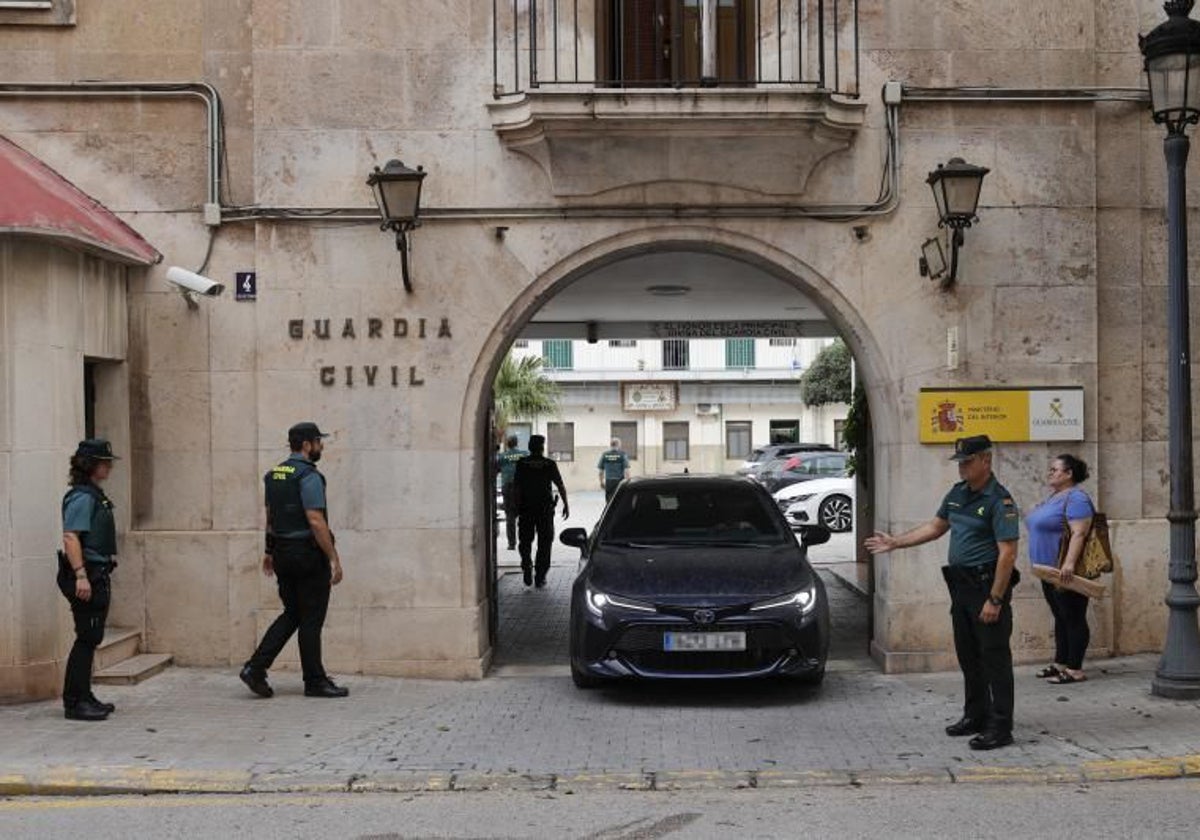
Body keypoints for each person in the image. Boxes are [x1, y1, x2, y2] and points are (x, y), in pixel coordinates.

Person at [865, 435, 1020, 750]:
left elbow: (1008, 554)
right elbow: (935, 528)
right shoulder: (957, 494)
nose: (962, 467)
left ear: (985, 461)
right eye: (960, 462)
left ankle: (1001, 727)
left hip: (985, 587)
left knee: (995, 659)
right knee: (969, 656)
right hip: (960, 587)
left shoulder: (999, 501)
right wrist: (896, 542)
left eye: (967, 461)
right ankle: (975, 714)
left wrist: (995, 599)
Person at [240, 422, 348, 699]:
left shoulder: (274, 475)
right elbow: (315, 519)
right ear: (307, 445)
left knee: (293, 613)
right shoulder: (309, 476)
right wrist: (333, 557)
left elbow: (271, 517)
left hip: (283, 555)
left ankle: (255, 667)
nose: (321, 447)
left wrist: (269, 551)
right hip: (307, 556)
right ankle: (315, 681)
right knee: (311, 618)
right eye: (318, 442)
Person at [58, 439, 121, 721]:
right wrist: (81, 575)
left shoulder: (94, 494)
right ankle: (74, 702)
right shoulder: (83, 497)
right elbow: (71, 536)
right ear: (90, 465)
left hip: (97, 572)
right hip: (87, 575)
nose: (108, 466)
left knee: (91, 637)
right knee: (86, 638)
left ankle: (84, 695)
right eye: (104, 461)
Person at [1025, 454, 1095, 685]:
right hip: (1048, 571)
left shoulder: (1077, 498)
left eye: (1055, 469)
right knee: (1061, 616)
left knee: (1073, 617)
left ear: (1069, 474)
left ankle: (1075, 669)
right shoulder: (1056, 497)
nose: (1050, 473)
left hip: (1064, 571)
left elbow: (1079, 533)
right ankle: (1061, 663)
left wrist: (1069, 564)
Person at [512, 434, 569, 588]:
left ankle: (526, 566)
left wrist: (517, 507)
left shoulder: (522, 463)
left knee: (525, 541)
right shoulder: (548, 464)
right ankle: (540, 576)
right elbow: (560, 485)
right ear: (542, 447)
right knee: (545, 542)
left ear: (530, 447)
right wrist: (565, 504)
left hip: (526, 509)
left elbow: (517, 488)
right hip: (544, 509)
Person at [496, 435, 528, 550]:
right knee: (524, 515)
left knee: (510, 516)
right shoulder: (525, 454)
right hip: (522, 487)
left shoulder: (502, 456)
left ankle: (512, 543)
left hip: (508, 487)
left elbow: (496, 469)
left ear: (507, 444)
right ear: (517, 443)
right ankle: (524, 541)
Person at [597, 438, 630, 502]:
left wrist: (601, 482)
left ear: (611, 445)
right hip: (620, 482)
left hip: (609, 482)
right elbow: (626, 471)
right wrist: (628, 482)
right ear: (618, 445)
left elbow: (601, 472)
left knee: (609, 502)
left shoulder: (605, 455)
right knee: (619, 501)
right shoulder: (622, 455)